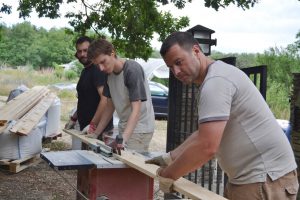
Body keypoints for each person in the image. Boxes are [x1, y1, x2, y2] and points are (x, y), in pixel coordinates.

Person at [146, 32, 299, 199]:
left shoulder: (216, 81)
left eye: (178, 62)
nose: (176, 71)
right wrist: (170, 157)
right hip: (256, 178)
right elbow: (202, 135)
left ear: (196, 51)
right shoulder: (216, 76)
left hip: (265, 179)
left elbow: (206, 147)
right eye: (170, 67)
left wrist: (168, 174)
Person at [86, 39, 155, 153]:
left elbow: (136, 110)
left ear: (112, 53)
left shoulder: (131, 69)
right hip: (125, 126)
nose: (101, 68)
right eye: (97, 65)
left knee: (129, 167)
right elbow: (109, 106)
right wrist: (96, 133)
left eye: (103, 62)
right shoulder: (108, 74)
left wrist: (123, 140)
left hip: (140, 128)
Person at [65, 36, 113, 136]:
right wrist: (74, 118)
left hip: (99, 131)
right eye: (79, 51)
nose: (82, 54)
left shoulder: (97, 69)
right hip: (87, 129)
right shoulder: (85, 71)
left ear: (91, 50)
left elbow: (105, 99)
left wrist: (93, 125)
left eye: (85, 50)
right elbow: (84, 100)